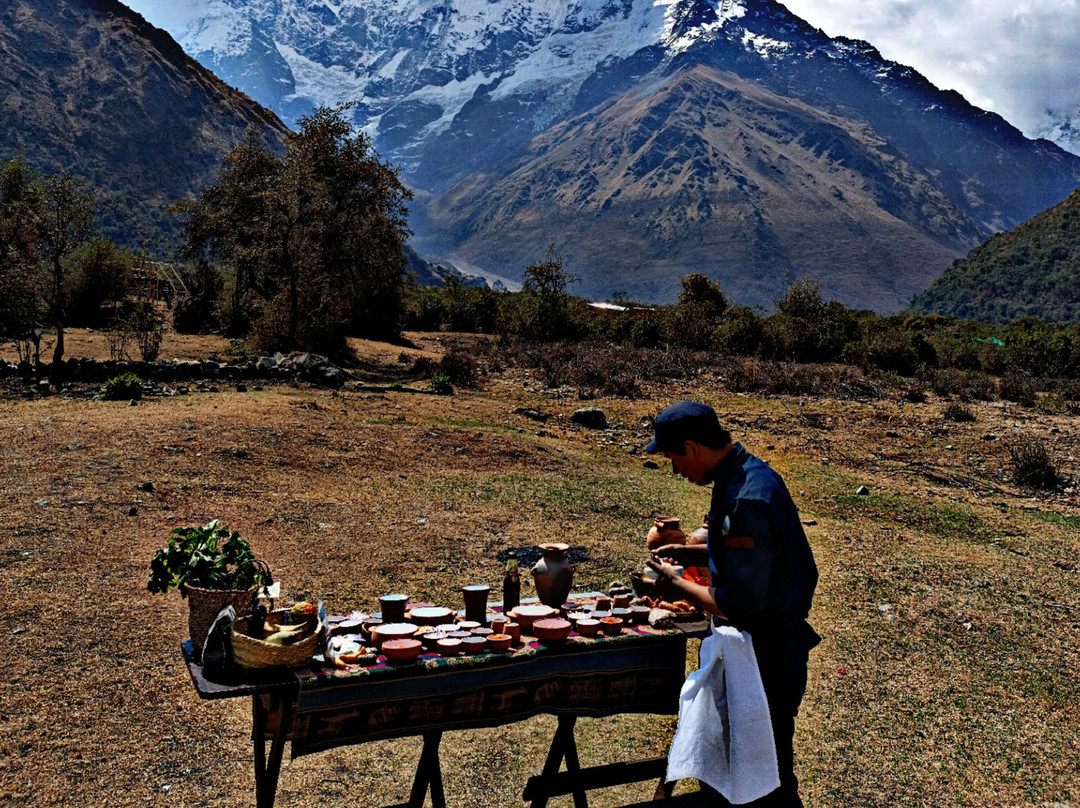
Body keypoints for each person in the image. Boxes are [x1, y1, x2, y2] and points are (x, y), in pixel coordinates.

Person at [644, 400, 820, 807]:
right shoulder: (740, 476)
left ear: (692, 448)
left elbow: (739, 602)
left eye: (673, 458)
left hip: (767, 659)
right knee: (740, 773)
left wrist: (677, 584)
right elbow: (750, 559)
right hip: (755, 653)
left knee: (765, 779)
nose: (674, 470)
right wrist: (691, 556)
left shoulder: (746, 499)